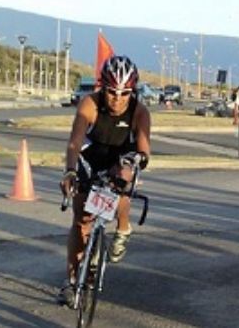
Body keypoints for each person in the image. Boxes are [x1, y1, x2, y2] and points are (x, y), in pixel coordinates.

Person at [57, 56, 152, 308]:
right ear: (103, 87)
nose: (117, 99)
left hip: (122, 157)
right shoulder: (90, 103)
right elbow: (74, 143)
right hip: (91, 156)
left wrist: (135, 160)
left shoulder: (139, 112)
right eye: (112, 92)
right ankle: (71, 280)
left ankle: (123, 227)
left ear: (133, 91)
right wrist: (69, 171)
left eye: (124, 93)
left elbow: (144, 150)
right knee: (81, 221)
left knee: (124, 175)